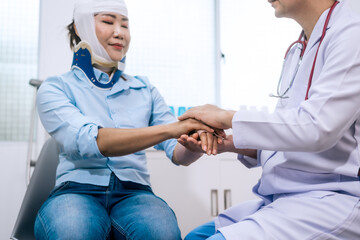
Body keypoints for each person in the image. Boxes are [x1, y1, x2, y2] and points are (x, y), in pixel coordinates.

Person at [33, 0, 218, 239]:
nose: (119, 33)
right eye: (108, 22)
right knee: (73, 232)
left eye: (125, 25)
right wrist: (171, 129)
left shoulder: (145, 89)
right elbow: (93, 141)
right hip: (76, 191)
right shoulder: (55, 88)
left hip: (135, 194)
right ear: (81, 28)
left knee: (162, 233)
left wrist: (195, 143)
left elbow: (177, 152)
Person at [179, 0, 360, 239]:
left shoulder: (352, 33)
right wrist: (230, 144)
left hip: (331, 198)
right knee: (195, 237)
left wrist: (226, 117)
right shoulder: (298, 49)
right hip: (286, 198)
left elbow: (317, 129)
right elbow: (289, 133)